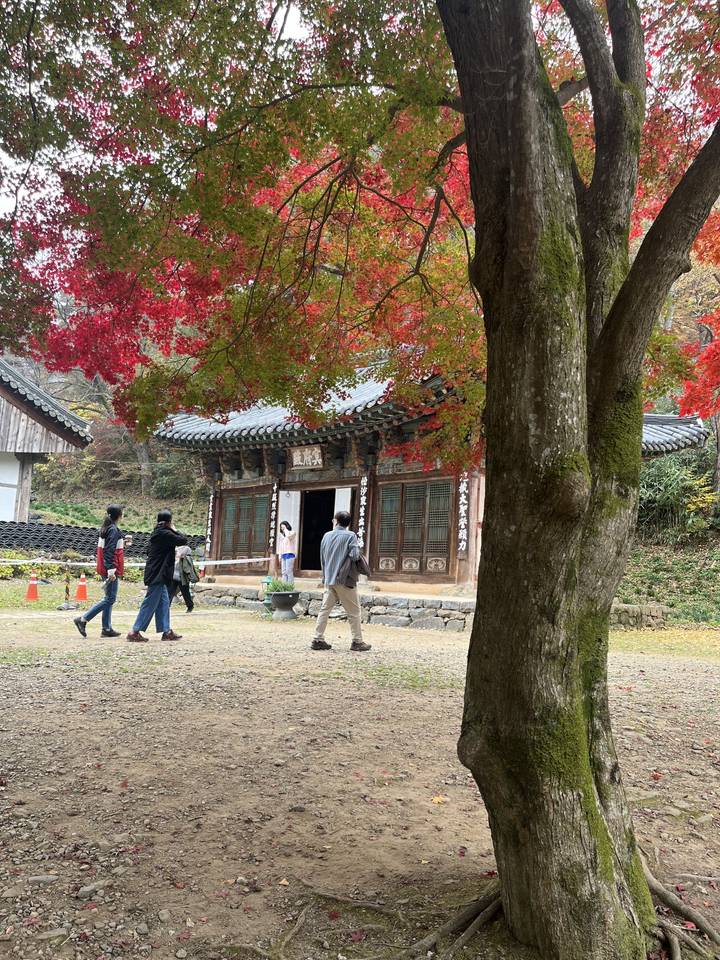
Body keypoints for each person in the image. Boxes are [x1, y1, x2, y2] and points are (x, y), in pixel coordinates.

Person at [311, 510, 371, 652]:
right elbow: (355, 555)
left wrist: (325, 576)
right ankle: (357, 641)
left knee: (324, 610)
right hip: (344, 580)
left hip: (329, 579)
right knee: (354, 612)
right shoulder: (351, 536)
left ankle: (317, 639)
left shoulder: (326, 536)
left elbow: (322, 558)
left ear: (336, 521)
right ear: (347, 523)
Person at [127, 510, 188, 643]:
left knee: (164, 602)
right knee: (150, 602)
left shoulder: (156, 532)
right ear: (168, 522)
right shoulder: (165, 533)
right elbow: (183, 540)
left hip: (157, 572)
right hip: (158, 574)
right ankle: (134, 631)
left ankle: (166, 632)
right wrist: (174, 529)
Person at [74, 505, 128, 639]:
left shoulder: (106, 528)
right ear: (119, 516)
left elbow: (109, 548)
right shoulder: (113, 530)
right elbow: (109, 552)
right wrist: (111, 570)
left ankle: (106, 628)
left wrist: (122, 543)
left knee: (108, 598)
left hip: (105, 566)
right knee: (110, 598)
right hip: (110, 568)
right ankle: (83, 619)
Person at [169, 544, 199, 612]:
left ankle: (190, 606)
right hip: (173, 575)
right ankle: (166, 606)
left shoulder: (186, 548)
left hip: (182, 575)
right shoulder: (174, 547)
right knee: (170, 592)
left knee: (185, 592)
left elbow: (188, 558)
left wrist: (181, 555)